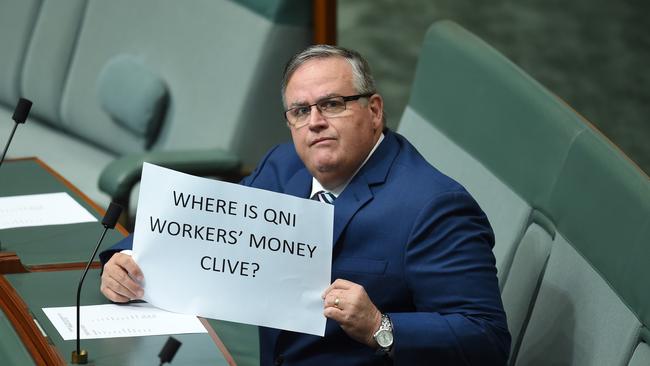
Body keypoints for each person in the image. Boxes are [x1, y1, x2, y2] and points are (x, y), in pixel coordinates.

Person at [100, 45, 510, 365]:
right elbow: (207, 222)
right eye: (300, 110)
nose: (315, 121)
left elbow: (487, 339)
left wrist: (380, 327)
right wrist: (129, 258)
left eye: (332, 104)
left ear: (374, 111)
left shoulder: (434, 207)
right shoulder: (284, 166)